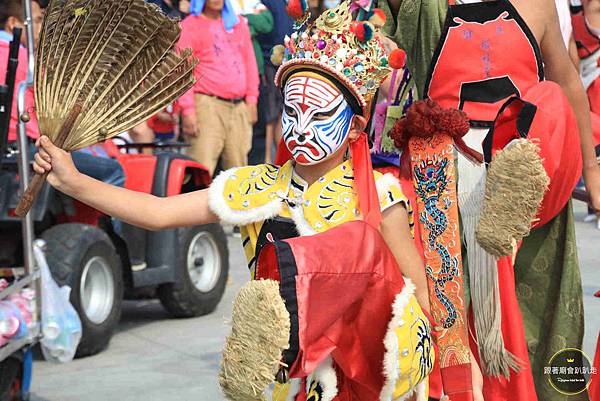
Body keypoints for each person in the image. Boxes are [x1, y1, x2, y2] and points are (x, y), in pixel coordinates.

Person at [30, 3, 453, 399]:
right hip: (288, 378)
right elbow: (158, 213)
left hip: (367, 374)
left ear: (356, 126)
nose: (302, 127)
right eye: (292, 111)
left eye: (320, 115)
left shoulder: (380, 195)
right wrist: (74, 181)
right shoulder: (256, 186)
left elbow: (418, 296)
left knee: (363, 247)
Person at [382, 0, 596, 400]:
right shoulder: (426, 7)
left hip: (529, 180)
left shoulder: (538, 5)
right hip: (441, 188)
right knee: (456, 323)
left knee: (535, 321)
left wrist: (593, 171)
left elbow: (567, 85)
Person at [179, 0, 259, 175]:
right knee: (201, 169)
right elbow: (182, 73)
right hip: (207, 106)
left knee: (239, 172)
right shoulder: (189, 26)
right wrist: (188, 111)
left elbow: (249, 62)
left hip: (239, 107)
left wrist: (252, 99)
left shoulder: (237, 24)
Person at [256, 0, 294, 163]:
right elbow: (264, 28)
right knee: (269, 115)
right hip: (269, 62)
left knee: (282, 112)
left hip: (290, 61)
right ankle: (266, 160)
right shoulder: (266, 2)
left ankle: (280, 160)